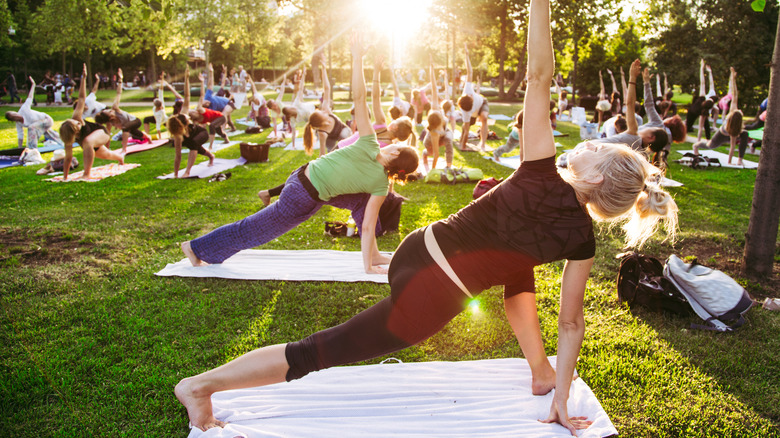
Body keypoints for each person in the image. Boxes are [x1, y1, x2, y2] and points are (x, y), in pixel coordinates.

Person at [174, 8, 678, 434]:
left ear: (594, 174)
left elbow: (540, 75)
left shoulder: (540, 169)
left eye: (592, 149)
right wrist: (565, 398)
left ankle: (539, 372)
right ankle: (200, 386)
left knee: (515, 266)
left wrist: (539, 4)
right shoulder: (580, 239)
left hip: (418, 250)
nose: (584, 146)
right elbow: (571, 323)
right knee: (322, 351)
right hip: (432, 296)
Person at [182, 33, 419, 274]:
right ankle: (195, 248)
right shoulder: (380, 183)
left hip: (305, 178)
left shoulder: (369, 144)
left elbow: (360, 97)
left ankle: (375, 254)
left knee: (360, 200)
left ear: (397, 150)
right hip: (303, 195)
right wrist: (367, 269)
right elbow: (368, 227)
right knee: (256, 230)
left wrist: (357, 58)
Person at [58, 64, 125, 181]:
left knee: (88, 141)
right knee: (107, 155)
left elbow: (82, 98)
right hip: (90, 144)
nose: (79, 123)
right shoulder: (68, 140)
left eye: (77, 123)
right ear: (72, 133)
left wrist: (84, 78)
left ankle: (86, 174)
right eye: (77, 125)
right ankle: (120, 158)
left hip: (101, 132)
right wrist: (65, 177)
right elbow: (68, 158)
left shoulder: (76, 117)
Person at [693, 67, 750, 166]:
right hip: (720, 135)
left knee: (745, 133)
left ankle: (740, 159)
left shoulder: (734, 122)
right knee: (710, 145)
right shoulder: (733, 116)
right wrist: (732, 78)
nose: (740, 110)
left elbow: (735, 95)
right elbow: (734, 94)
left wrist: (733, 78)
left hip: (729, 133)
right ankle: (696, 145)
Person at [168, 66, 215, 178]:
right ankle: (211, 156)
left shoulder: (183, 114)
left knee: (194, 144)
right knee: (196, 147)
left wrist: (186, 78)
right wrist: (175, 174)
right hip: (191, 139)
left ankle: (187, 172)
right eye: (187, 121)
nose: (190, 119)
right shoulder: (178, 137)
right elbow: (178, 156)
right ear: (181, 127)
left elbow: (187, 96)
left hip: (202, 133)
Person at [95, 68, 152, 154]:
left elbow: (118, 94)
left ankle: (124, 149)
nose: (108, 109)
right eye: (107, 111)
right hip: (129, 126)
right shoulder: (111, 123)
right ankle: (148, 137)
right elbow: (108, 135)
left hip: (135, 121)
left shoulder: (115, 108)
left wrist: (120, 80)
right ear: (108, 117)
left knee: (125, 128)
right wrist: (107, 149)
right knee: (137, 134)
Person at [302, 59, 351, 155]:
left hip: (342, 131)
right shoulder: (322, 133)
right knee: (331, 154)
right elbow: (322, 154)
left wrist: (324, 70)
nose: (324, 112)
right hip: (331, 139)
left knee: (346, 135)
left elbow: (327, 89)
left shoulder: (326, 109)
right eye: (322, 113)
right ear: (322, 122)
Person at [5, 76, 63, 150]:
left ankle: (33, 149)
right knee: (51, 135)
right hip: (39, 126)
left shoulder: (23, 109)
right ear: (13, 120)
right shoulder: (18, 123)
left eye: (15, 114)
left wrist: (33, 85)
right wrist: (19, 148)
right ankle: (65, 141)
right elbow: (20, 135)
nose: (16, 116)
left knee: (31, 127)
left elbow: (30, 97)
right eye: (13, 117)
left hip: (46, 120)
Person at [421, 56, 454, 170]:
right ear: (439, 122)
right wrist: (433, 171)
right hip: (430, 142)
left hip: (444, 133)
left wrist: (432, 69)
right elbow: (436, 155)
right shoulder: (434, 133)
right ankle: (424, 154)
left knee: (449, 140)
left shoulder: (436, 109)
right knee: (429, 152)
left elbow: (434, 88)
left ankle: (448, 166)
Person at [457, 45, 490, 152]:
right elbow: (467, 131)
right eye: (471, 98)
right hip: (473, 114)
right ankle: (461, 141)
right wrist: (463, 147)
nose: (471, 95)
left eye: (470, 96)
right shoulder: (466, 112)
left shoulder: (467, 89)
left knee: (484, 118)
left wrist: (467, 56)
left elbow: (469, 72)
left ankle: (483, 144)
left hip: (482, 104)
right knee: (465, 127)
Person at [190, 71, 230, 151]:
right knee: (219, 132)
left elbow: (202, 94)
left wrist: (202, 82)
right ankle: (226, 139)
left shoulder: (200, 109)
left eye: (193, 111)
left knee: (211, 126)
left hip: (221, 117)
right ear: (193, 117)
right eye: (192, 113)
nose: (194, 112)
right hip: (215, 120)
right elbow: (195, 129)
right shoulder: (197, 120)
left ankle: (210, 146)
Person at [201, 64, 237, 132]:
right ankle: (233, 128)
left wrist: (211, 72)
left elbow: (211, 84)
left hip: (228, 104)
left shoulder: (208, 96)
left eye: (206, 102)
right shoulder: (209, 108)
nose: (208, 103)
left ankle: (222, 130)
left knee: (224, 114)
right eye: (206, 104)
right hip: (222, 107)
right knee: (228, 120)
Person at [143, 74, 169, 140]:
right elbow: (161, 92)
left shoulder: (160, 113)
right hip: (156, 118)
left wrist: (160, 137)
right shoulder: (160, 103)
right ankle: (147, 134)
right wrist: (162, 80)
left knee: (170, 127)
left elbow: (158, 125)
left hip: (163, 120)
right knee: (146, 119)